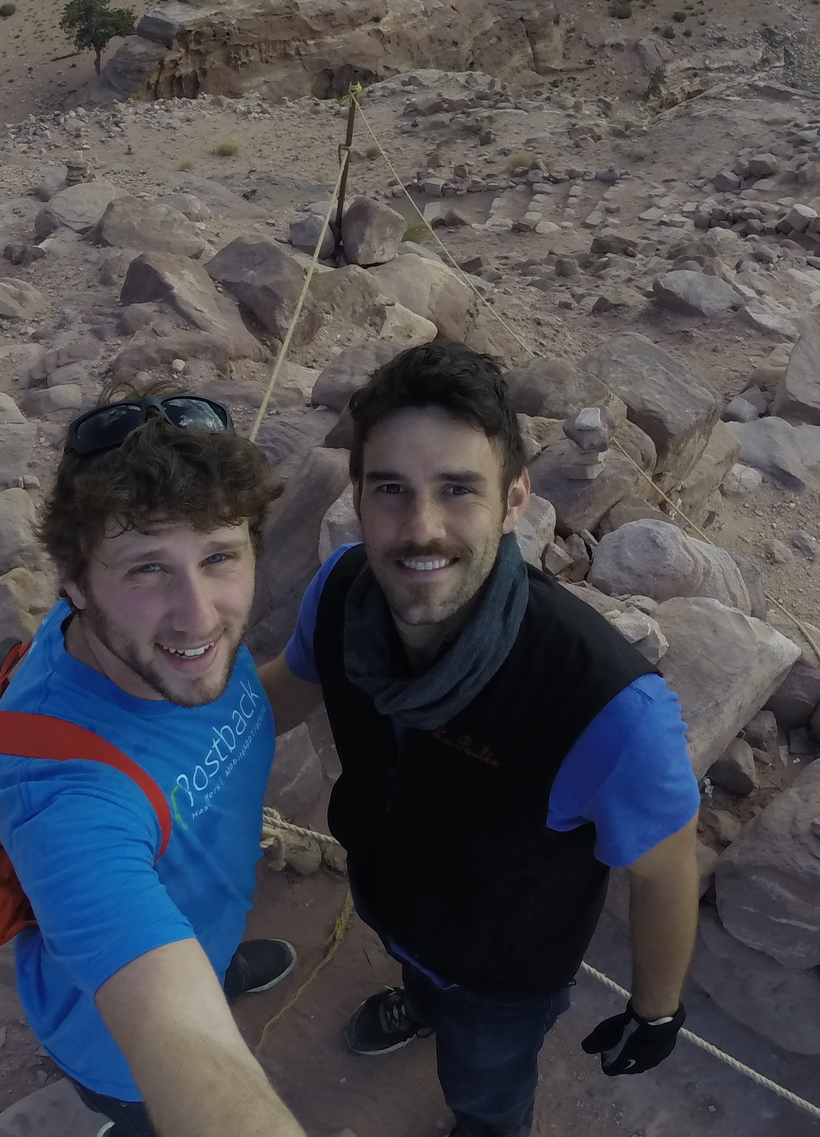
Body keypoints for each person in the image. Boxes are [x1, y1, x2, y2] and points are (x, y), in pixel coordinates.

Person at [262, 342, 701, 1137]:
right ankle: (421, 997)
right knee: (418, 967)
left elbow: (666, 871)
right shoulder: (342, 594)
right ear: (357, 496)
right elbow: (286, 689)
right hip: (394, 894)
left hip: (503, 972)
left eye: (457, 490)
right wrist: (162, 747)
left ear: (514, 500)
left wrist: (657, 1008)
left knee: (486, 1085)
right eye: (391, 489)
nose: (420, 529)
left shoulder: (604, 704)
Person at [0, 395, 308, 1137]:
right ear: (73, 583)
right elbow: (175, 1032)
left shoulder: (147, 645)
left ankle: (218, 965)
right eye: (147, 568)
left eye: (219, 555)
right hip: (121, 1054)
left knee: (208, 971)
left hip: (206, 922)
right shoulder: (65, 801)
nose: (197, 615)